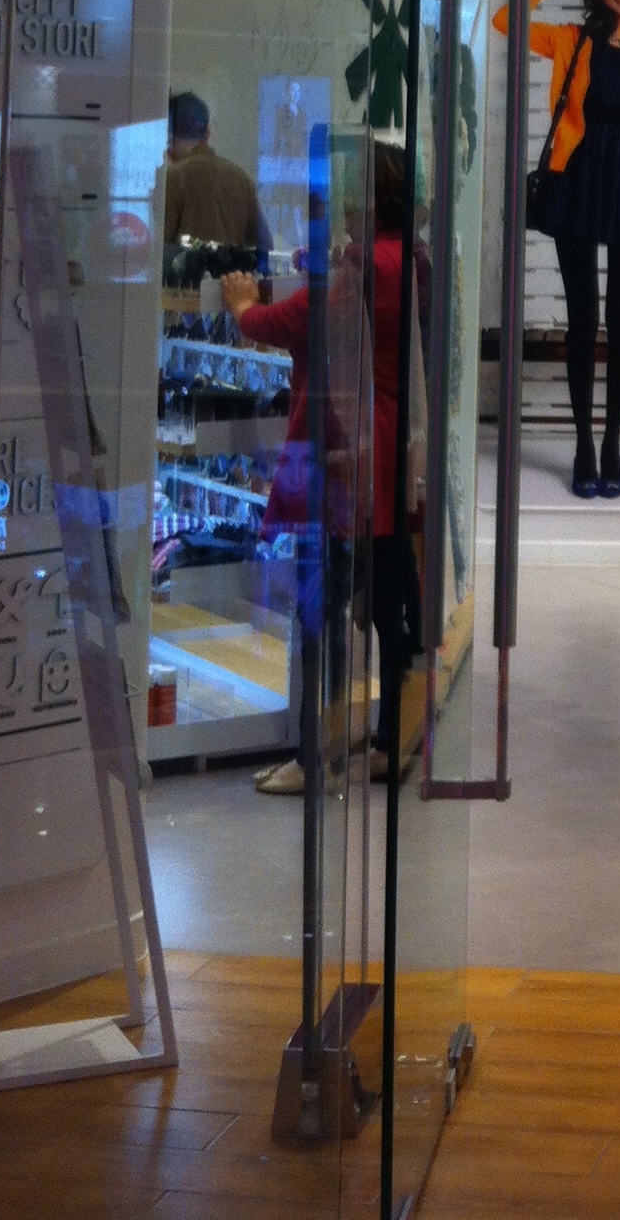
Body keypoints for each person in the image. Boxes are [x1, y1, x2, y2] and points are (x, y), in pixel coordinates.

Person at [223, 142, 425, 789]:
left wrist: (241, 306)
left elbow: (291, 322)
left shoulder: (360, 267)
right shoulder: (411, 258)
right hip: (389, 450)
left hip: (343, 451)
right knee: (388, 600)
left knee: (321, 606)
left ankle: (316, 756)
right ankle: (391, 741)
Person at [495, 0, 620, 500]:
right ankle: (582, 446)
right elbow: (504, 20)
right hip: (577, 179)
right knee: (582, 319)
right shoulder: (571, 39)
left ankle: (613, 443)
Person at [163, 90, 271, 257]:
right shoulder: (240, 178)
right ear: (207, 132)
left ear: (168, 137)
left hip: (185, 274)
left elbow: (157, 249)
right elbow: (265, 244)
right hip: (233, 274)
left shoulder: (173, 178)